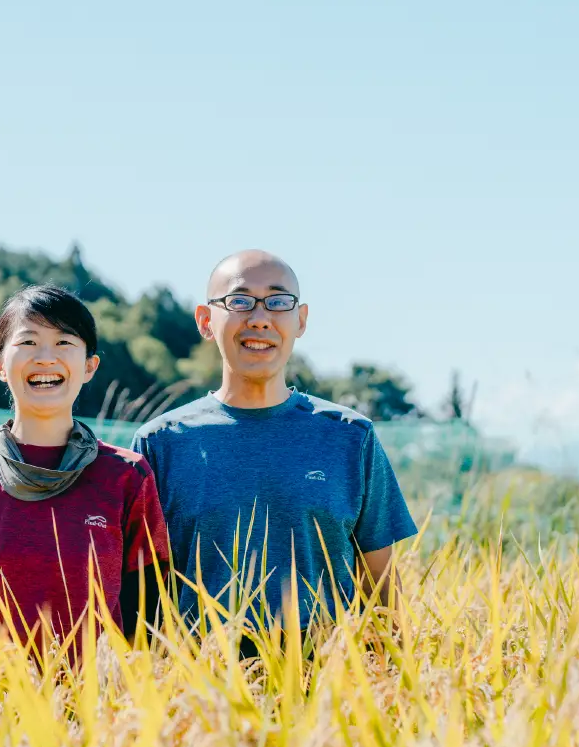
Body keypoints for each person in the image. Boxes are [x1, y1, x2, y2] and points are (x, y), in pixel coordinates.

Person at [131, 250, 418, 651]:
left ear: (300, 320)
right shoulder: (161, 443)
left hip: (326, 678)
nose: (260, 318)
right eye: (240, 301)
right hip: (201, 679)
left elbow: (381, 586)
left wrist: (394, 676)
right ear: (205, 320)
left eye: (279, 301)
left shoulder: (350, 437)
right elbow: (141, 594)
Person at [0, 284, 169, 668]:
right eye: (28, 342)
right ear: (0, 364)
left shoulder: (127, 475)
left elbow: (147, 610)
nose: (46, 358)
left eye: (64, 343)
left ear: (90, 366)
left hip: (94, 702)